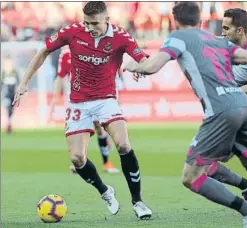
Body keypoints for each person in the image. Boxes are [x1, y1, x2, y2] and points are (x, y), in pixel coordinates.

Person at [124, 2, 247, 227]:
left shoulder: (178, 38)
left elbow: (151, 67)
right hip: (243, 108)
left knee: (191, 176)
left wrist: (130, 65)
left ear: (176, 22)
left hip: (221, 112)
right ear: (200, 21)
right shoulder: (215, 40)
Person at [13, 1, 152, 219]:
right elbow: (43, 51)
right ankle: (105, 191)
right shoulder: (72, 31)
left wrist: (140, 68)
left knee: (124, 144)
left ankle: (138, 201)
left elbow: (143, 59)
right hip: (78, 102)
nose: (89, 27)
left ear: (107, 19)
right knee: (77, 158)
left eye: (94, 23)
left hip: (106, 99)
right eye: (86, 22)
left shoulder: (121, 36)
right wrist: (24, 82)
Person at [204, 8, 247, 204]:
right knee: (204, 165)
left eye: (226, 28)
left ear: (240, 30)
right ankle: (246, 185)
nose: (222, 32)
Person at [51, 47, 120, 174]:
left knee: (99, 127)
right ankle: (77, 162)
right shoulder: (65, 55)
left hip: (93, 96)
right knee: (76, 128)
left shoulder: (92, 51)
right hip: (74, 99)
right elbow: (60, 76)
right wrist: (55, 97)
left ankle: (106, 162)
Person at [1, 57, 20, 134]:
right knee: (8, 108)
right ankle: (8, 126)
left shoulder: (14, 72)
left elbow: (18, 82)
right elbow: (1, 84)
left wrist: (19, 92)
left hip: (13, 95)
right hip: (6, 95)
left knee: (11, 110)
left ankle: (9, 124)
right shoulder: (3, 73)